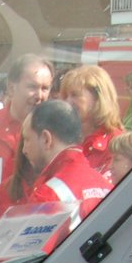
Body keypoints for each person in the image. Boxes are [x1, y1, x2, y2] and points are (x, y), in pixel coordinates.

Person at [16, 99, 113, 231]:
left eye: (27, 139)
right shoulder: (107, 186)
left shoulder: (48, 196)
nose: (24, 150)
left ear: (46, 139)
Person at [0, 54, 53, 199]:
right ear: (12, 88)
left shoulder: (54, 135)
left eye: (45, 88)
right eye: (32, 87)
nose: (39, 95)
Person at [57, 65, 124, 179]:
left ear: (98, 98)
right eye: (65, 96)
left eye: (75, 95)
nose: (68, 102)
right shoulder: (61, 139)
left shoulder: (117, 145)